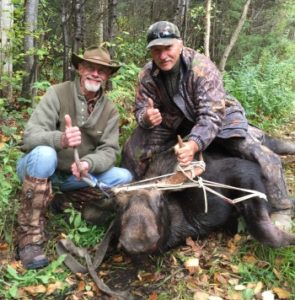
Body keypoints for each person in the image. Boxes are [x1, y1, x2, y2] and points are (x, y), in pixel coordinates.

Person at [121, 21, 293, 234]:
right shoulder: (148, 75)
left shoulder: (201, 67)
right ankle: (130, 196)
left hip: (220, 117)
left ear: (180, 45)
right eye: (157, 50)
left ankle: (281, 207)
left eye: (168, 48)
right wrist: (146, 117)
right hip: (175, 120)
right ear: (151, 52)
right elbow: (139, 109)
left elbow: (211, 116)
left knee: (258, 153)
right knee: (133, 146)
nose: (163, 55)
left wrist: (193, 144)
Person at [16, 45, 133, 269]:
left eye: (102, 70)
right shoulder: (57, 93)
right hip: (40, 170)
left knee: (123, 176)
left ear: (107, 76)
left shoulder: (109, 110)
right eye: (90, 67)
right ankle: (29, 238)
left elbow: (109, 151)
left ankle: (62, 202)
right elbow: (29, 138)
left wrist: (89, 163)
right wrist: (60, 139)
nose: (96, 73)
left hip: (74, 177)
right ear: (80, 68)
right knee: (45, 154)